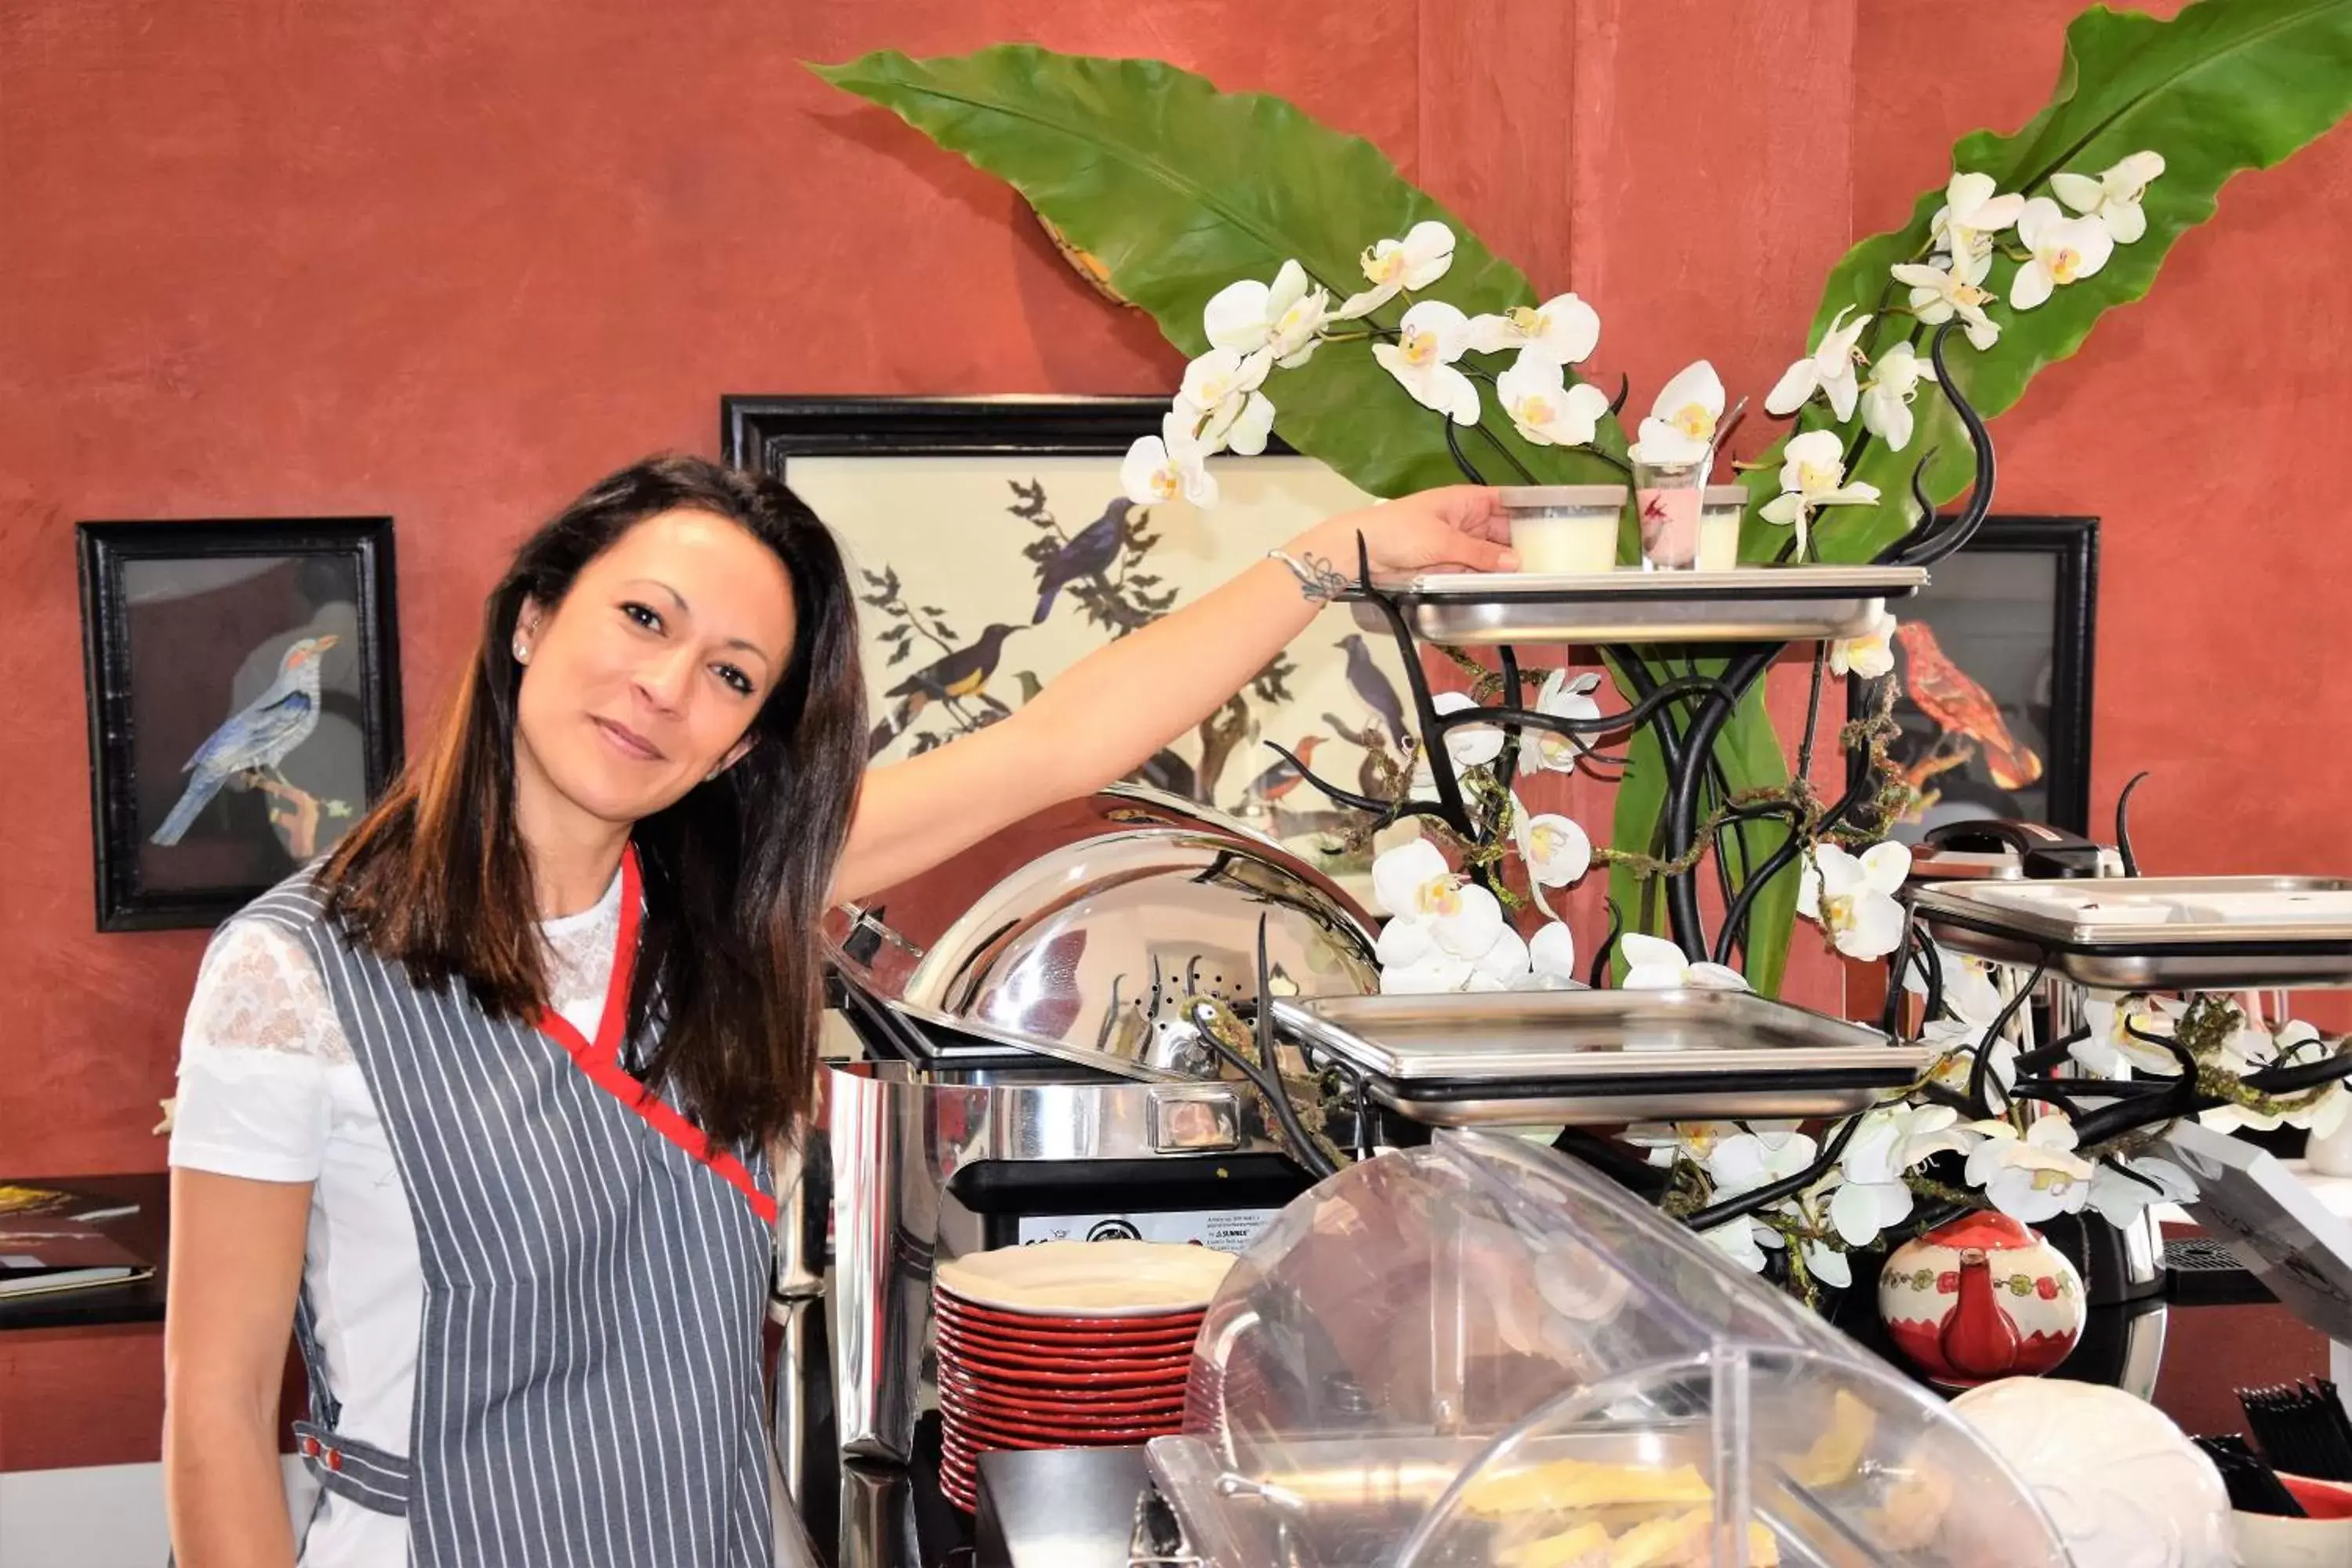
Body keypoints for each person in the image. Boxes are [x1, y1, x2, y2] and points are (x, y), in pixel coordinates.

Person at [162, 453, 1511, 1566]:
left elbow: (1059, 746)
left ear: (742, 742)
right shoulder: (295, 973)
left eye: (733, 675)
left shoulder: (733, 913)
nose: (667, 688)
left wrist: (1332, 555)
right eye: (643, 619)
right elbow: (217, 1415)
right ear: (533, 619)